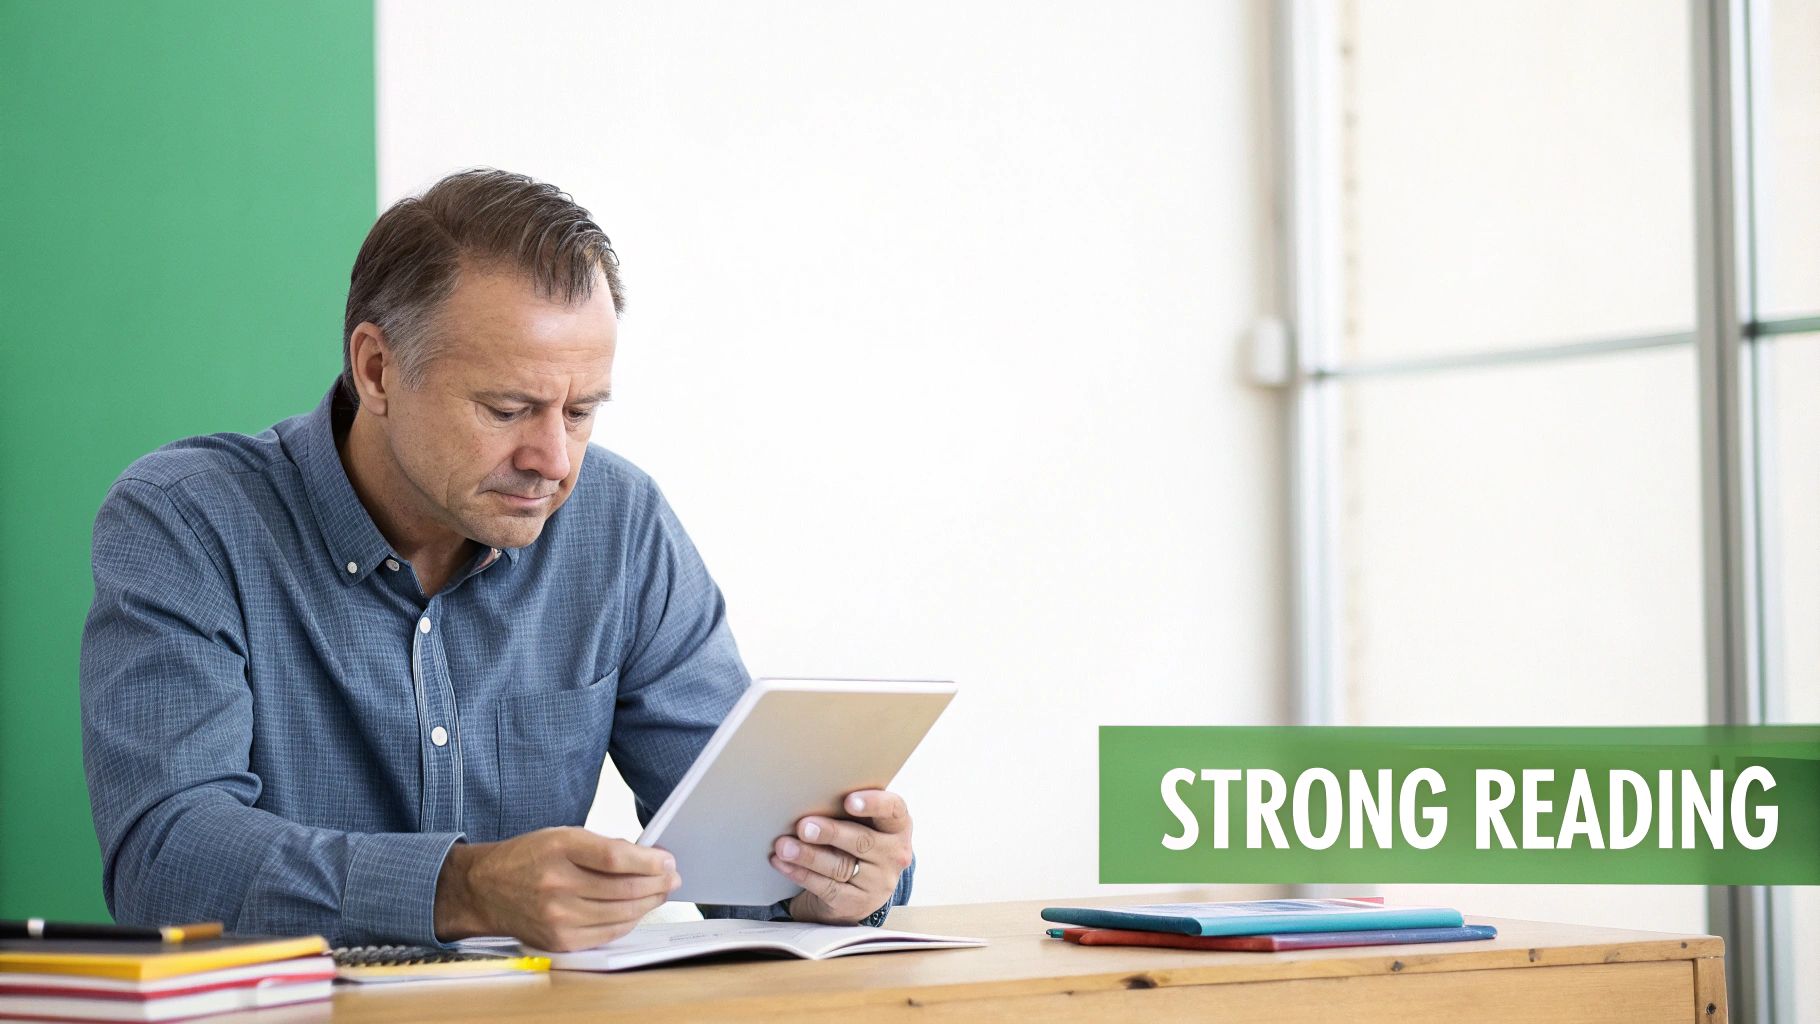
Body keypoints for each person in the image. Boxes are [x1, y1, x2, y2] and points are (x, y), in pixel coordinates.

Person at [79, 169, 915, 951]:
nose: (553, 459)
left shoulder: (618, 525)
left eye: (581, 411)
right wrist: (463, 887)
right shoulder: (189, 520)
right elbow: (166, 856)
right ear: (376, 368)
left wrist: (831, 880)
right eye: (508, 408)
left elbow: (741, 841)